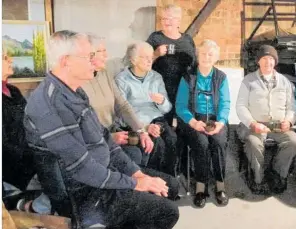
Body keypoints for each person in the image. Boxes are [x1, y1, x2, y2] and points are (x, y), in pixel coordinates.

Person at [23, 30, 179, 229]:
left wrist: (135, 174)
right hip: (86, 193)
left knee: (170, 186)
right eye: (89, 56)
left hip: (102, 175)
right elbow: (82, 168)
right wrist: (134, 183)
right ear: (66, 61)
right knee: (166, 212)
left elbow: (105, 138)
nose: (95, 61)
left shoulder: (75, 91)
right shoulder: (48, 104)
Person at [81, 35, 154, 167]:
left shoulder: (104, 73)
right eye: (101, 51)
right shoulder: (78, 83)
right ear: (89, 55)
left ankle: (140, 182)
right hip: (97, 140)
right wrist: (109, 138)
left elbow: (122, 105)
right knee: (134, 154)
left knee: (146, 146)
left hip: (114, 130)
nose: (106, 55)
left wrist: (141, 131)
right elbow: (82, 127)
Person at [236, 45, 296, 194]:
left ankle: (278, 173)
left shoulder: (285, 82)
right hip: (255, 125)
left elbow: (292, 106)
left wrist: (289, 121)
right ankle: (257, 178)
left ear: (275, 62)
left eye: (271, 59)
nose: (268, 62)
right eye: (264, 59)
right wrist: (252, 123)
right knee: (253, 142)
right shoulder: (248, 80)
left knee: (293, 141)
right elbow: (240, 106)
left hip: (278, 126)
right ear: (258, 61)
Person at [176, 39, 230, 208]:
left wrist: (221, 123)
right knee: (201, 143)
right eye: (203, 53)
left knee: (219, 142)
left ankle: (220, 186)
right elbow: (180, 105)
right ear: (198, 55)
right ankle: (201, 187)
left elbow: (225, 103)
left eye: (210, 54)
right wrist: (193, 122)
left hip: (215, 119)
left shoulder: (221, 77)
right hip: (193, 118)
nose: (206, 57)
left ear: (216, 58)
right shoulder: (187, 76)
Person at [116, 41, 178, 176]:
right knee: (156, 143)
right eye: (145, 57)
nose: (150, 60)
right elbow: (122, 113)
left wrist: (161, 101)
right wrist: (145, 126)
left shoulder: (156, 77)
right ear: (133, 60)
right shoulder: (122, 80)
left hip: (157, 119)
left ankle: (169, 178)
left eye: (151, 56)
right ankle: (152, 179)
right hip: (135, 123)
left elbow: (167, 109)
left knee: (171, 138)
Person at [147, 4, 196, 125]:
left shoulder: (187, 39)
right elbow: (143, 63)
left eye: (170, 18)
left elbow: (194, 64)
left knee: (183, 123)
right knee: (165, 124)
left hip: (183, 88)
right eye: (164, 18)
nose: (166, 22)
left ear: (178, 21)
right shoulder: (155, 38)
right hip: (162, 89)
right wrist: (156, 54)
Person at [2, 51, 36, 192]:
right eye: (4, 58)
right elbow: (4, 145)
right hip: (14, 167)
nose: (10, 60)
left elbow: (29, 122)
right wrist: (34, 156)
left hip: (30, 156)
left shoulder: (13, 91)